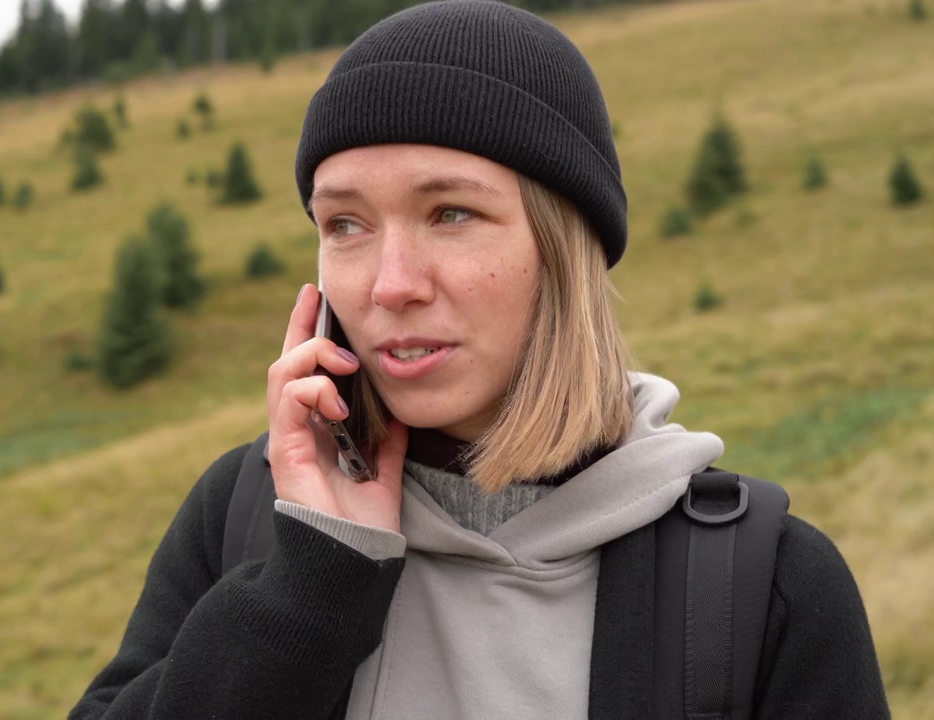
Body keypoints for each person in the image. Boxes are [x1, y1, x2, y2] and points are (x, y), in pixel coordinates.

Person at [69, 1, 889, 718]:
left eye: (451, 213)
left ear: (565, 251)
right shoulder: (249, 514)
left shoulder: (761, 586)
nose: (390, 285)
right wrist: (310, 589)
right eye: (345, 225)